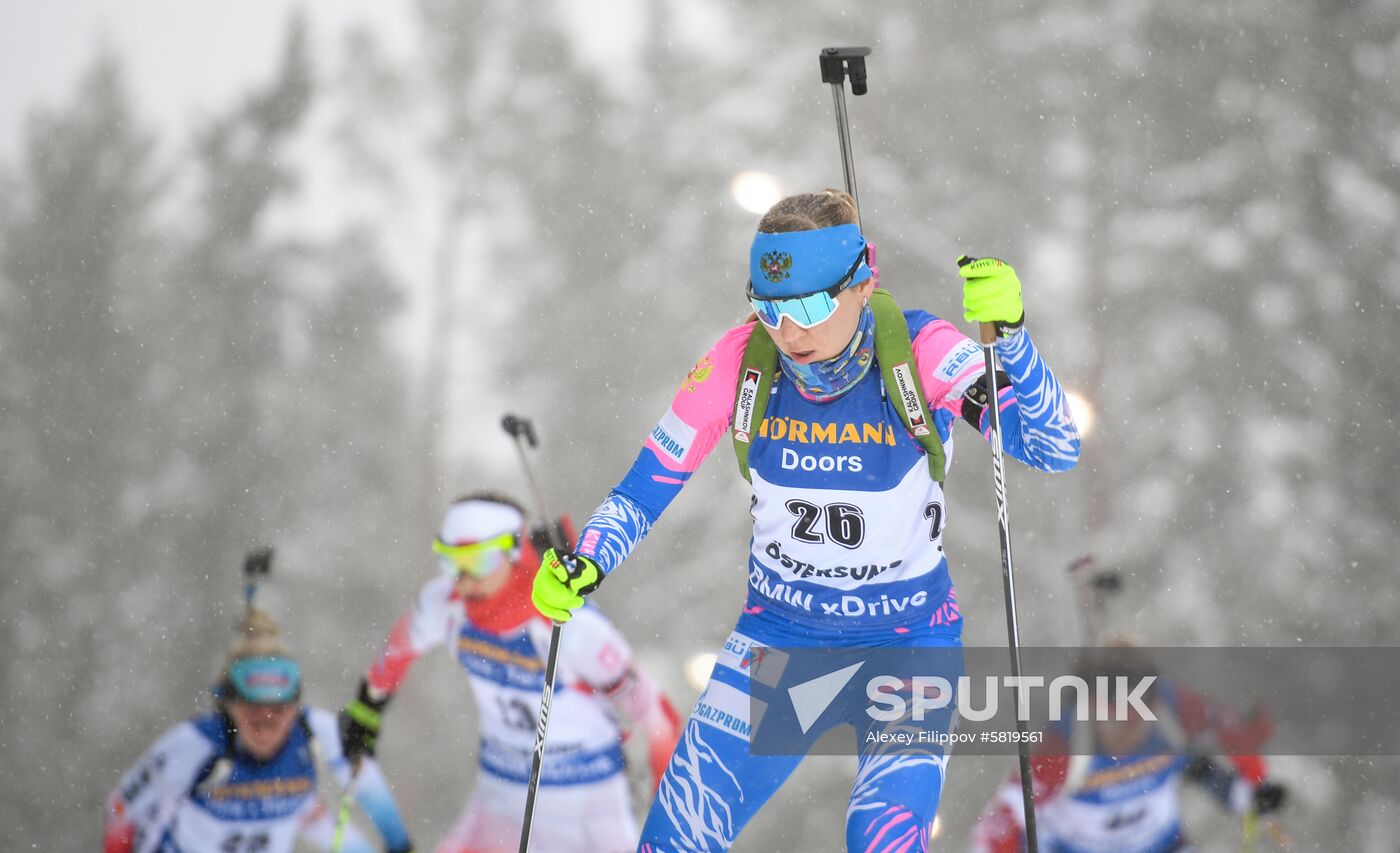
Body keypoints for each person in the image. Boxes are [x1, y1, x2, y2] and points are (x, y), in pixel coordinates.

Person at [530, 189, 1082, 852]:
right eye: (770, 309)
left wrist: (1012, 337)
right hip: (781, 643)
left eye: (812, 307)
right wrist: (586, 561)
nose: (790, 333)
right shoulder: (739, 364)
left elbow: (1051, 447)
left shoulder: (922, 352)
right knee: (674, 840)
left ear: (860, 283)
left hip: (906, 645)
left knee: (880, 841)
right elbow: (644, 487)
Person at [338, 492, 681, 853]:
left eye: (478, 562)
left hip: (587, 804)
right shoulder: (448, 607)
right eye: (452, 563)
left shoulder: (571, 625)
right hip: (500, 797)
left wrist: (668, 808)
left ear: (513, 553)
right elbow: (399, 648)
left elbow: (654, 712)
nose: (465, 580)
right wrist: (367, 709)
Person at [104, 608, 414, 853]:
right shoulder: (195, 744)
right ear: (231, 705)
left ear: (295, 707)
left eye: (278, 713)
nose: (265, 727)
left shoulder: (312, 731)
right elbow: (122, 807)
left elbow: (363, 785)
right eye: (253, 712)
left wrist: (399, 845)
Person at [970, 643, 1288, 852]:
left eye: (1137, 718)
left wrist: (1251, 789)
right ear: (1091, 706)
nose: (1127, 732)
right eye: (1114, 718)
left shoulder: (1172, 710)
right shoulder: (1062, 746)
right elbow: (999, 822)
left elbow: (1227, 735)